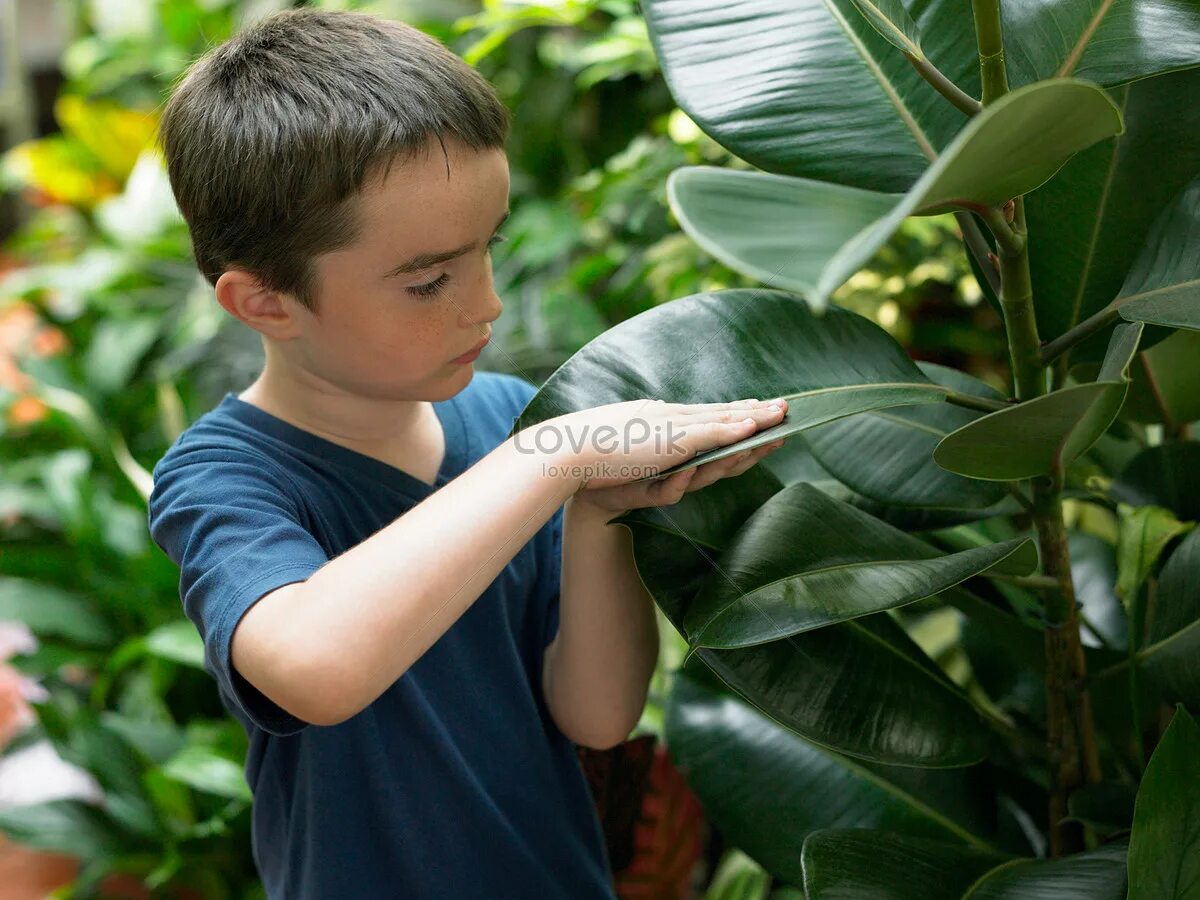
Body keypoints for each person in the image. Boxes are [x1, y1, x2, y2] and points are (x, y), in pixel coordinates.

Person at [146, 8, 787, 898]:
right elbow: (315, 668)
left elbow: (598, 717)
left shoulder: (511, 425)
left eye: (488, 247)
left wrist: (596, 511)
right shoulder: (227, 476)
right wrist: (556, 457)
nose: (484, 304)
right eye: (429, 280)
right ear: (263, 304)